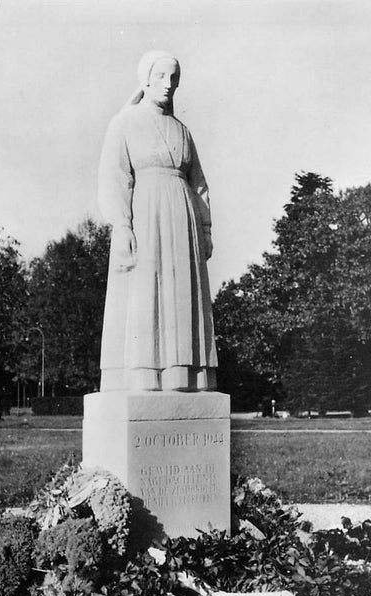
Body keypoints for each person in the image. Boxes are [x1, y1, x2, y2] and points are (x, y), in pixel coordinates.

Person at [98, 50, 218, 392]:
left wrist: (206, 227)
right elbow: (114, 176)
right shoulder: (124, 122)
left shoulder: (183, 131)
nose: (168, 84)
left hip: (184, 220)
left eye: (174, 78)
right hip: (145, 216)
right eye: (161, 76)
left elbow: (199, 184)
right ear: (146, 79)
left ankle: (184, 375)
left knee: (182, 296)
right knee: (146, 293)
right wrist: (122, 225)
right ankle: (143, 375)